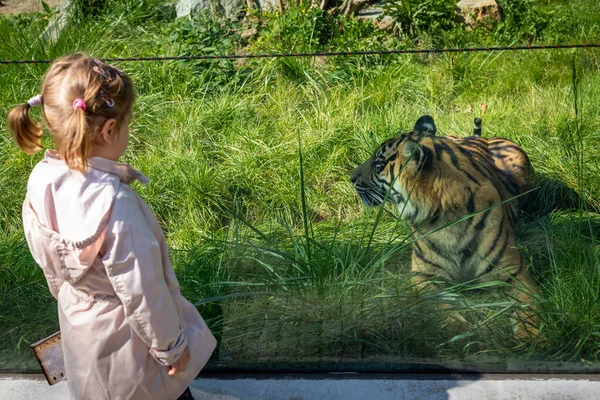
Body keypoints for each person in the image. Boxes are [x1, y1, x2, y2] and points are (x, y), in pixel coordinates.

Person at [7, 53, 217, 400]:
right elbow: (143, 290)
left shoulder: (41, 180)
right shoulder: (116, 206)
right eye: (128, 121)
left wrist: (69, 294)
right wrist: (170, 347)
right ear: (109, 129)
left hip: (81, 327)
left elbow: (50, 261)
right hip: (132, 351)